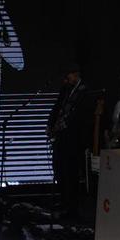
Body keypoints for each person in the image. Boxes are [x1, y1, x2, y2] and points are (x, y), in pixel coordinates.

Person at [46, 63, 90, 218]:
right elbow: (56, 107)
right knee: (58, 168)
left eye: (69, 75)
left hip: (73, 139)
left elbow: (81, 117)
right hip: (60, 136)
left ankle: (72, 207)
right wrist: (50, 125)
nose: (66, 78)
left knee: (70, 172)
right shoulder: (66, 89)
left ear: (76, 74)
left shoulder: (84, 91)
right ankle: (64, 200)